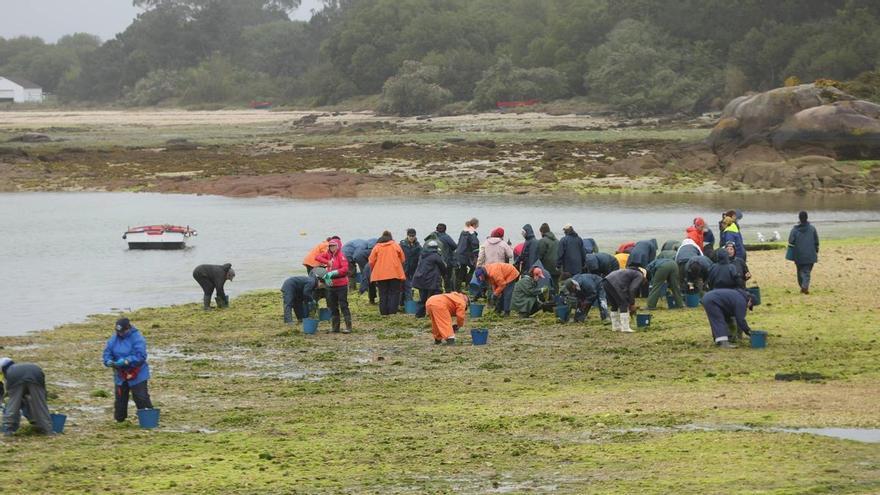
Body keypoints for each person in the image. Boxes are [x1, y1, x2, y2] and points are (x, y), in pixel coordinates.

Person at [102, 318, 154, 422]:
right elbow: (107, 352)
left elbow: (141, 356)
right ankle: (120, 420)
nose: (120, 334)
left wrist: (127, 361)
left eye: (122, 332)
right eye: (118, 332)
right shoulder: (114, 339)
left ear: (128, 328)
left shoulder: (137, 338)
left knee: (141, 398)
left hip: (137, 372)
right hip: (120, 374)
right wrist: (108, 361)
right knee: (120, 400)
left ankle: (149, 420)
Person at [0, 358, 53, 435]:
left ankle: (8, 429)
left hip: (15, 376)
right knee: (40, 405)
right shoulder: (17, 366)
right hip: (36, 372)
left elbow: (9, 395)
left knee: (13, 404)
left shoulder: (8, 372)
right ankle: (47, 430)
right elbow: (41, 397)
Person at [315, 238, 351, 333]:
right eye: (330, 246)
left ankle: (348, 327)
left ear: (338, 246)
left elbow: (345, 269)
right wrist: (327, 262)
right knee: (333, 306)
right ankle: (335, 328)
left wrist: (333, 273)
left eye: (334, 245)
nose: (332, 247)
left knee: (343, 305)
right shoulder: (328, 255)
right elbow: (317, 257)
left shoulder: (341, 256)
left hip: (341, 285)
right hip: (331, 285)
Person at [368, 230, 406, 315]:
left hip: (380, 275)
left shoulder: (377, 247)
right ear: (390, 237)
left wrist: (375, 268)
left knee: (383, 294)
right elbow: (403, 259)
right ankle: (392, 312)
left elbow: (371, 261)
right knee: (394, 293)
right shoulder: (395, 245)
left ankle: (384, 313)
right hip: (395, 273)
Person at [601, 267, 647, 333]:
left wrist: (629, 301)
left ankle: (616, 327)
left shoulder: (630, 272)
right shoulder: (639, 275)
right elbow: (632, 289)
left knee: (614, 305)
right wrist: (632, 304)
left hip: (606, 281)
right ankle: (625, 328)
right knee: (623, 304)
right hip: (615, 283)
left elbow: (628, 289)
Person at [412, 240, 447, 318]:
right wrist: (444, 275)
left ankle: (419, 315)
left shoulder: (422, 255)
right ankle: (434, 314)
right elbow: (443, 267)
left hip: (420, 280)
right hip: (432, 281)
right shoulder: (436, 256)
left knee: (422, 299)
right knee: (435, 299)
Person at [788, 210, 819, 294]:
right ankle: (804, 286)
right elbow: (816, 241)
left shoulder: (795, 229)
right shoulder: (812, 229)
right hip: (810, 255)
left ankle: (803, 286)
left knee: (800, 271)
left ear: (799, 218)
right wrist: (816, 251)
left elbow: (791, 241)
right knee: (806, 271)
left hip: (798, 255)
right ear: (807, 218)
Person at [427, 224, 457, 292]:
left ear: (436, 228)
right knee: (448, 278)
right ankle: (448, 291)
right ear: (445, 229)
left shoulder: (432, 236)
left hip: (435, 261)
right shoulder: (446, 237)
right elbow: (454, 246)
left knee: (437, 277)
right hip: (446, 260)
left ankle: (438, 291)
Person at [453, 218, 480, 292]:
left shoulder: (463, 232)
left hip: (459, 254)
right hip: (466, 255)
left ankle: (457, 289)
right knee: (473, 269)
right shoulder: (472, 233)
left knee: (460, 272)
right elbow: (475, 244)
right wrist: (476, 256)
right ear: (475, 224)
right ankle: (467, 285)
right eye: (478, 224)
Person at [400, 228, 422, 306]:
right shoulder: (402, 245)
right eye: (410, 236)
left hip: (413, 269)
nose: (411, 237)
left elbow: (421, 257)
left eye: (413, 236)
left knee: (409, 286)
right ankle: (404, 302)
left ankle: (408, 302)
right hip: (404, 268)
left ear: (415, 236)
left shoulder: (418, 246)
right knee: (403, 287)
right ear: (407, 236)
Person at [536, 223, 559, 293]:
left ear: (542, 232)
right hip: (558, 268)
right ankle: (556, 300)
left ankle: (548, 301)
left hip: (547, 268)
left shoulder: (542, 241)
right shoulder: (557, 241)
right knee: (556, 285)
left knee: (546, 286)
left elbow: (539, 256)